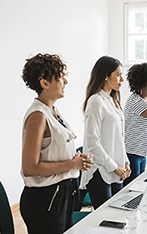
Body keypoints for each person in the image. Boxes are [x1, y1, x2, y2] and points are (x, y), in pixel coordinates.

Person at [20, 53, 93, 234]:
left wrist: (77, 159)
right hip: (45, 199)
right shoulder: (38, 115)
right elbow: (30, 167)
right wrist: (72, 164)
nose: (65, 82)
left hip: (62, 194)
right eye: (61, 77)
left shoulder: (52, 111)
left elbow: (53, 150)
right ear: (44, 83)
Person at [80, 56, 131, 209]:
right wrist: (114, 166)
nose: (122, 79)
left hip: (115, 167)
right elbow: (92, 143)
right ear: (105, 76)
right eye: (118, 75)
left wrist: (125, 161)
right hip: (100, 170)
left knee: (116, 214)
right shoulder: (96, 101)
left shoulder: (112, 100)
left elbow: (118, 138)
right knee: (105, 219)